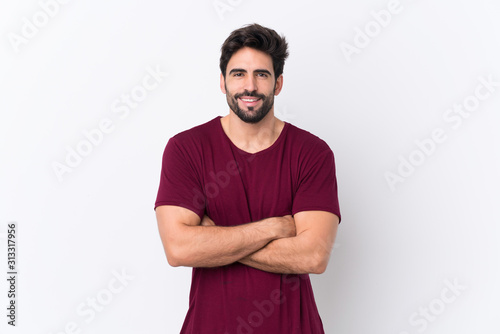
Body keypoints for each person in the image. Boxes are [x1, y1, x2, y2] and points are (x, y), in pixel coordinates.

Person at [154, 23, 341, 334]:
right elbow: (179, 249)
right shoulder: (186, 149)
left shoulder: (312, 153)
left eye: (262, 75)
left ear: (278, 83)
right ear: (223, 82)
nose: (249, 86)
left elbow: (313, 255)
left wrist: (216, 241)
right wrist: (274, 228)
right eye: (238, 74)